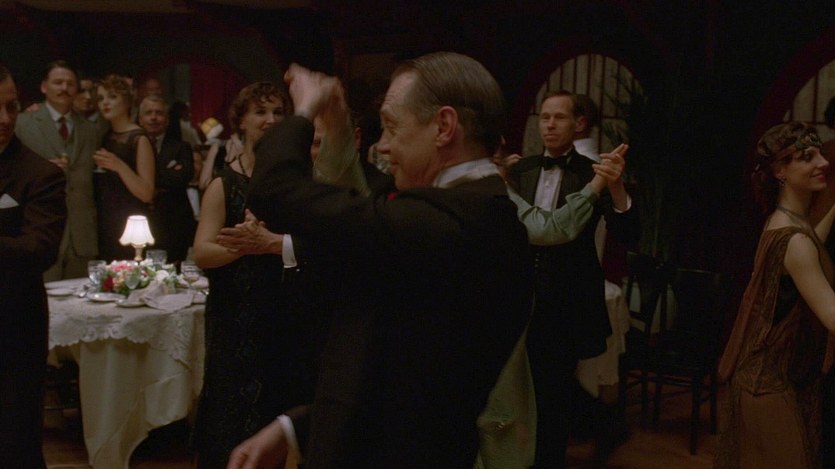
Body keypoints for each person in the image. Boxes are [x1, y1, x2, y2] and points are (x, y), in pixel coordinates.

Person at [228, 52, 533, 469]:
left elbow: (274, 192)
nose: (383, 145)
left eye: (391, 126)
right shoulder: (477, 212)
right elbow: (396, 376)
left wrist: (304, 109)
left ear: (443, 127)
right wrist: (296, 428)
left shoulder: (450, 222)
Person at [508, 90, 640, 468]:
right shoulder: (520, 170)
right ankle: (604, 424)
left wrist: (617, 188)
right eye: (544, 117)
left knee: (553, 396)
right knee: (531, 388)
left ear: (578, 124)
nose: (549, 125)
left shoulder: (593, 173)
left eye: (559, 117)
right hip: (520, 298)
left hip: (566, 301)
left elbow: (628, 234)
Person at [191, 81, 300, 468]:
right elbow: (202, 252)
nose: (270, 120)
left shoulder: (296, 181)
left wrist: (269, 243)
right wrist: (248, 246)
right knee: (229, 418)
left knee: (278, 417)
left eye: (278, 112)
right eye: (260, 112)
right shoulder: (224, 184)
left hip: (283, 315)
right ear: (241, 121)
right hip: (234, 318)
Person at [715, 122, 835, 469]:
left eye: (819, 154)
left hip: (769, 377)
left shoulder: (784, 220)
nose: (823, 163)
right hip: (768, 386)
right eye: (807, 157)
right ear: (781, 171)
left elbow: (810, 242)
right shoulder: (794, 241)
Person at [0, 64, 67, 468]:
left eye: (11, 107)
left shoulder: (40, 174)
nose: (5, 119)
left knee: (14, 446)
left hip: (11, 334)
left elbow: (39, 249)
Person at [14, 60, 99, 280]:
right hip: (39, 230)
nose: (64, 88)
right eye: (58, 82)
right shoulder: (22, 123)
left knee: (83, 297)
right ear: (44, 86)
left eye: (70, 84)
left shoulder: (91, 129)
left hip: (82, 234)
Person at [93, 74, 155, 261]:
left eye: (112, 97)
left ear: (127, 101)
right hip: (105, 220)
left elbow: (147, 193)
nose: (105, 103)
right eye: (101, 98)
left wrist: (119, 165)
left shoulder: (139, 138)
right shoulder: (104, 135)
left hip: (131, 222)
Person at [138, 94, 196, 263]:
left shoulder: (181, 147)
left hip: (174, 223)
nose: (153, 117)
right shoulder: (132, 146)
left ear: (167, 119)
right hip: (140, 222)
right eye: (149, 113)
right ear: (140, 119)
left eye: (159, 113)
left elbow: (182, 178)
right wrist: (166, 173)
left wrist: (147, 177)